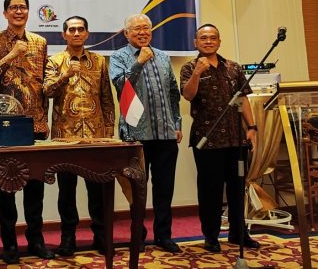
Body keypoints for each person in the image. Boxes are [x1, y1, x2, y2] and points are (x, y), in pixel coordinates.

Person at [0, 0, 55, 263]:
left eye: (23, 7)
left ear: (28, 12)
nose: (19, 11)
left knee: (36, 188)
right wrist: (11, 55)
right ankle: (9, 245)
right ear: (5, 13)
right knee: (6, 186)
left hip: (35, 123)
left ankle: (36, 241)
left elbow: (45, 83)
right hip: (5, 125)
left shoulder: (40, 42)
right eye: (13, 8)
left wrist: (45, 118)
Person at [179, 24, 260, 252]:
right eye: (203, 38)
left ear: (219, 41)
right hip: (207, 140)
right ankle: (211, 236)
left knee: (237, 188)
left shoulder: (233, 67)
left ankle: (238, 233)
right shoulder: (189, 67)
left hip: (236, 139)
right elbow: (188, 95)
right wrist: (197, 73)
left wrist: (252, 127)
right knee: (210, 191)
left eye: (213, 38)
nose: (208, 41)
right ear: (195, 42)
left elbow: (243, 99)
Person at [109, 13, 182, 253]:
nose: (142, 33)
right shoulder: (118, 57)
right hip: (135, 135)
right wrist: (138, 62)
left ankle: (164, 236)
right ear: (126, 33)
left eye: (146, 28)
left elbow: (173, 92)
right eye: (137, 29)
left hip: (165, 133)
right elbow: (121, 85)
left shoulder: (162, 56)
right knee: (137, 189)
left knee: (165, 187)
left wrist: (177, 123)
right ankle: (137, 236)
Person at [43, 16, 115, 257]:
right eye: (71, 29)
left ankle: (101, 236)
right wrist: (65, 75)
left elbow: (107, 97)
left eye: (80, 29)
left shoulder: (99, 61)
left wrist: (109, 128)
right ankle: (68, 238)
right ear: (64, 34)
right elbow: (47, 91)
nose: (76, 33)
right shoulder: (55, 61)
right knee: (67, 192)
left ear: (86, 33)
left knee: (98, 190)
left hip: (96, 135)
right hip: (65, 136)